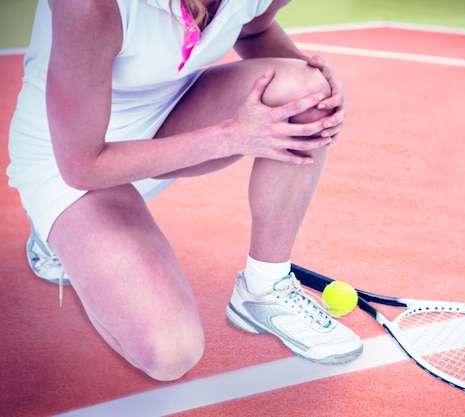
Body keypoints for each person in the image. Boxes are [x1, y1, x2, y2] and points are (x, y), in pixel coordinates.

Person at [7, 0, 363, 381]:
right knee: (171, 351)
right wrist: (230, 136)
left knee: (307, 92)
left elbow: (253, 28)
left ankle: (264, 288)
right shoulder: (90, 6)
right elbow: (82, 165)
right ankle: (56, 239)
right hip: (71, 159)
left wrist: (323, 94)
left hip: (171, 116)